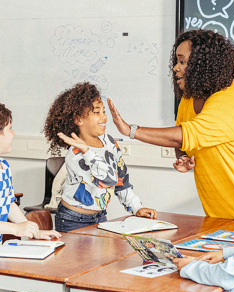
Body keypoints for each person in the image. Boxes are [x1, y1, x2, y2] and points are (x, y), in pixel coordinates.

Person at [108, 29, 234, 221]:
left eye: (182, 61)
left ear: (203, 65)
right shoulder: (188, 101)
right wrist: (184, 158)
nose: (175, 68)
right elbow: (182, 145)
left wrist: (130, 130)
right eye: (176, 61)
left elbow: (188, 134)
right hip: (226, 219)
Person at [43, 82, 157, 232]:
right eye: (97, 112)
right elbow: (108, 180)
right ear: (78, 119)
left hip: (100, 216)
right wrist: (87, 151)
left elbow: (121, 180)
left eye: (104, 111)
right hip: (72, 219)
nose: (104, 117)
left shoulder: (109, 142)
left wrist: (137, 207)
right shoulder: (76, 153)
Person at [0, 103, 61, 292]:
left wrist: (33, 229)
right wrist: (15, 230)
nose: (14, 133)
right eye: (9, 128)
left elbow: (7, 203)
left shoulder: (4, 167)